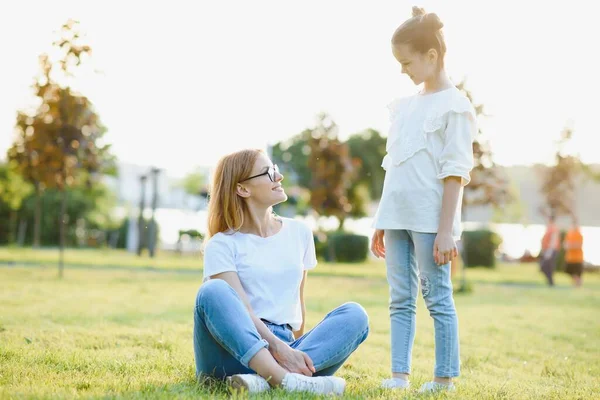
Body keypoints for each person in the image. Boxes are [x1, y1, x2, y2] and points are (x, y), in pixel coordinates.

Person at [193, 148, 369, 396]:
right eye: (268, 173)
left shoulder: (299, 233)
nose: (279, 177)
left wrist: (297, 351)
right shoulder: (221, 244)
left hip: (284, 342)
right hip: (230, 352)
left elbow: (298, 303)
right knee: (211, 291)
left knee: (355, 315)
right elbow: (243, 309)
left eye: (274, 170)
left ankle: (262, 381)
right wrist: (277, 349)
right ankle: (285, 380)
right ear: (243, 189)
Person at [369, 6, 476, 393]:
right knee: (400, 299)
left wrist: (446, 231)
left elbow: (454, 174)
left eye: (406, 62)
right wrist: (382, 218)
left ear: (431, 55)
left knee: (437, 299)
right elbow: (394, 165)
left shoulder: (456, 107)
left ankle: (443, 379)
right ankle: (399, 376)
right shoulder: (406, 106)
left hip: (431, 222)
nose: (403, 70)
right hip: (396, 216)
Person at [540, 214, 560, 286]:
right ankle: (550, 282)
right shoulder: (549, 227)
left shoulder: (553, 228)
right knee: (545, 266)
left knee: (547, 266)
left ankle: (551, 282)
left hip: (551, 250)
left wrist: (549, 251)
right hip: (547, 250)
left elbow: (553, 240)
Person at [564, 216, 584, 287]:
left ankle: (578, 284)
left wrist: (571, 245)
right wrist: (572, 245)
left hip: (578, 257)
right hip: (570, 257)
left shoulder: (579, 233)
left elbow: (578, 245)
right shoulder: (569, 233)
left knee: (578, 273)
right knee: (570, 271)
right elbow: (566, 245)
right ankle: (576, 283)